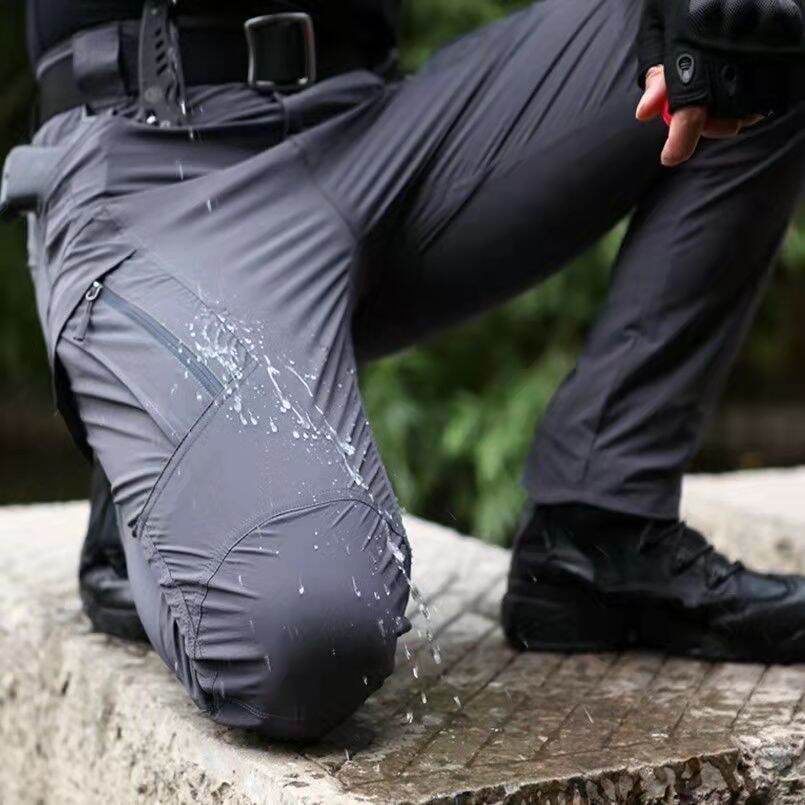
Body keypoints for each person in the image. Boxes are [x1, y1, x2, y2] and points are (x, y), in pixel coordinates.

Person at [9, 0, 805, 741]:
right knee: (307, 634)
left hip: (378, 133)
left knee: (749, 26)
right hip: (156, 161)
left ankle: (602, 530)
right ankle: (147, 454)